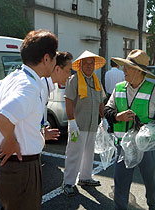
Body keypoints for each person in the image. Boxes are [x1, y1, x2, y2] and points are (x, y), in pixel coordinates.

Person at [0, 29, 58, 210]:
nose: (56, 62)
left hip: (13, 167)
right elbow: (3, 116)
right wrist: (10, 140)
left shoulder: (16, 76)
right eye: (55, 57)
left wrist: (14, 129)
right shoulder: (29, 85)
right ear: (46, 58)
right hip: (21, 168)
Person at [104, 49, 155, 210]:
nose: (123, 70)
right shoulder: (119, 88)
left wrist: (149, 127)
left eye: (127, 67)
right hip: (123, 145)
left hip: (146, 145)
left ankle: (153, 205)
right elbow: (107, 110)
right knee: (121, 182)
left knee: (152, 181)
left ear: (139, 71)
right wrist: (118, 116)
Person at [0, 51, 73, 140]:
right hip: (20, 151)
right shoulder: (35, 85)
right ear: (57, 69)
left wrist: (40, 132)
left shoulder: (41, 83)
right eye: (68, 70)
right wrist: (10, 137)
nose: (70, 75)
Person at [62, 50, 107, 196]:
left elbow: (101, 101)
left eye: (91, 63)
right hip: (78, 125)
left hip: (93, 124)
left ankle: (85, 177)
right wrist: (71, 121)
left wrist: (104, 117)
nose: (89, 66)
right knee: (74, 153)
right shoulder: (74, 80)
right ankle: (68, 182)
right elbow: (68, 100)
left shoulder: (96, 81)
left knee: (89, 153)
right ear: (80, 65)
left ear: (94, 65)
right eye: (86, 63)